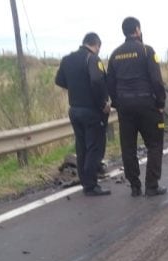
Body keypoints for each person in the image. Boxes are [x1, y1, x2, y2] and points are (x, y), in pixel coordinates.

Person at [106, 17, 167, 197]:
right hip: (147, 105)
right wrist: (161, 103)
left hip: (125, 107)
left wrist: (117, 102)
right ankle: (152, 186)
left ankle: (135, 187)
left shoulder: (115, 54)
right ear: (138, 30)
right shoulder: (146, 50)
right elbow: (156, 80)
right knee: (155, 144)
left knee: (128, 147)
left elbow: (109, 83)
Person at [55, 32, 111, 196]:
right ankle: (91, 185)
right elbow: (96, 80)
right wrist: (103, 104)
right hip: (91, 111)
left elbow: (59, 80)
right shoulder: (92, 59)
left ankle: (85, 182)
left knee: (81, 147)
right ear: (96, 45)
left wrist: (74, 87)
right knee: (94, 147)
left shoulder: (67, 59)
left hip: (74, 110)